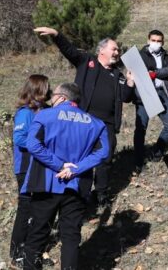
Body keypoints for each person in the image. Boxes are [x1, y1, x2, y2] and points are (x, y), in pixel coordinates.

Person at [33, 27, 134, 208]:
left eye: (118, 50)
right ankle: (81, 193)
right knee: (82, 157)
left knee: (105, 157)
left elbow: (125, 97)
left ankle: (101, 193)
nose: (117, 52)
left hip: (107, 124)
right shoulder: (87, 61)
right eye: (114, 49)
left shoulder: (117, 73)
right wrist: (57, 35)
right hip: (83, 119)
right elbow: (69, 51)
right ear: (101, 50)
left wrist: (130, 82)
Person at [21, 83, 110, 270]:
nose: (50, 98)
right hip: (76, 186)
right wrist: (76, 169)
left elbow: (33, 145)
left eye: (53, 95)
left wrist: (59, 165)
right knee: (70, 237)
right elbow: (103, 152)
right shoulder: (96, 123)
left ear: (62, 98)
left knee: (37, 233)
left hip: (46, 184)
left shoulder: (44, 116)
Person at [9, 75, 50, 265]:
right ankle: (17, 251)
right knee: (25, 208)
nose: (48, 92)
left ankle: (34, 249)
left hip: (43, 167)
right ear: (36, 90)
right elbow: (19, 139)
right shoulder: (25, 113)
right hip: (26, 167)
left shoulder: (47, 110)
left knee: (40, 209)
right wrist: (40, 145)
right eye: (45, 88)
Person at [133, 29, 168, 170]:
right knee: (141, 128)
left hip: (162, 92)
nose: (156, 43)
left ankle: (157, 152)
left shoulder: (165, 54)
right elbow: (137, 74)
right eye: (153, 40)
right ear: (148, 40)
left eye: (159, 41)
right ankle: (138, 161)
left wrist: (155, 73)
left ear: (162, 42)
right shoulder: (139, 55)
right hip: (145, 94)